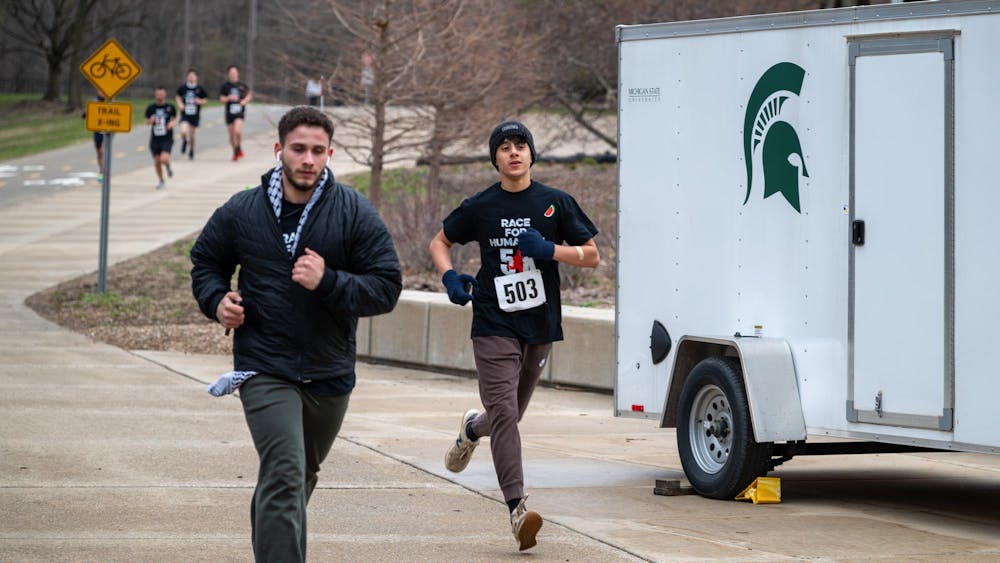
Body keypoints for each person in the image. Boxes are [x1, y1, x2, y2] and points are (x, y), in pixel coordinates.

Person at [190, 105, 402, 562]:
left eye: (317, 151)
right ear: (279, 150)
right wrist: (216, 300)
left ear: (330, 154)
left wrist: (328, 281)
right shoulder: (243, 210)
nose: (308, 159)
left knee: (295, 478)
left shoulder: (353, 212)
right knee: (286, 474)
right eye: (298, 149)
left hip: (329, 370)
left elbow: (386, 288)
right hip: (264, 365)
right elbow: (206, 262)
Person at [428, 121, 600, 551]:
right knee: (505, 413)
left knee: (509, 415)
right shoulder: (481, 205)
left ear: (531, 153)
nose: (513, 152)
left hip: (539, 323)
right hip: (493, 320)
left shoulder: (555, 203)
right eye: (504, 147)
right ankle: (517, 510)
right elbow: (439, 242)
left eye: (520, 145)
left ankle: (472, 429)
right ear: (496, 158)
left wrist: (550, 250)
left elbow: (592, 256)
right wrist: (449, 277)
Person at [145, 86, 179, 190]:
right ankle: (161, 180)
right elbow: (146, 122)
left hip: (167, 138)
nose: (159, 96)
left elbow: (177, 117)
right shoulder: (151, 108)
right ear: (155, 95)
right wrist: (150, 121)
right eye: (158, 94)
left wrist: (172, 123)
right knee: (157, 161)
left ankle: (168, 167)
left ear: (165, 95)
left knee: (164, 159)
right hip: (155, 139)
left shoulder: (170, 107)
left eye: (161, 94)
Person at [219, 65, 252, 161]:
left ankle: (238, 147)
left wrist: (245, 101)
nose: (233, 74)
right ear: (229, 74)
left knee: (237, 131)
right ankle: (235, 151)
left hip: (239, 112)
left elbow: (249, 95)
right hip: (229, 112)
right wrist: (228, 98)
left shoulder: (242, 85)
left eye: (234, 72)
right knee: (231, 135)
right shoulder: (225, 86)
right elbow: (221, 99)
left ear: (238, 73)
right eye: (231, 73)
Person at [175, 68, 209, 160]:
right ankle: (185, 141)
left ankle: (192, 150)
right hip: (185, 113)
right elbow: (177, 96)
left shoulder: (199, 88)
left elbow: (205, 99)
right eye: (190, 76)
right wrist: (180, 104)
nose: (191, 77)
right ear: (187, 77)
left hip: (195, 114)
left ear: (196, 77)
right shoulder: (183, 87)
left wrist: (200, 101)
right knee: (183, 131)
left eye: (193, 76)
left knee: (192, 135)